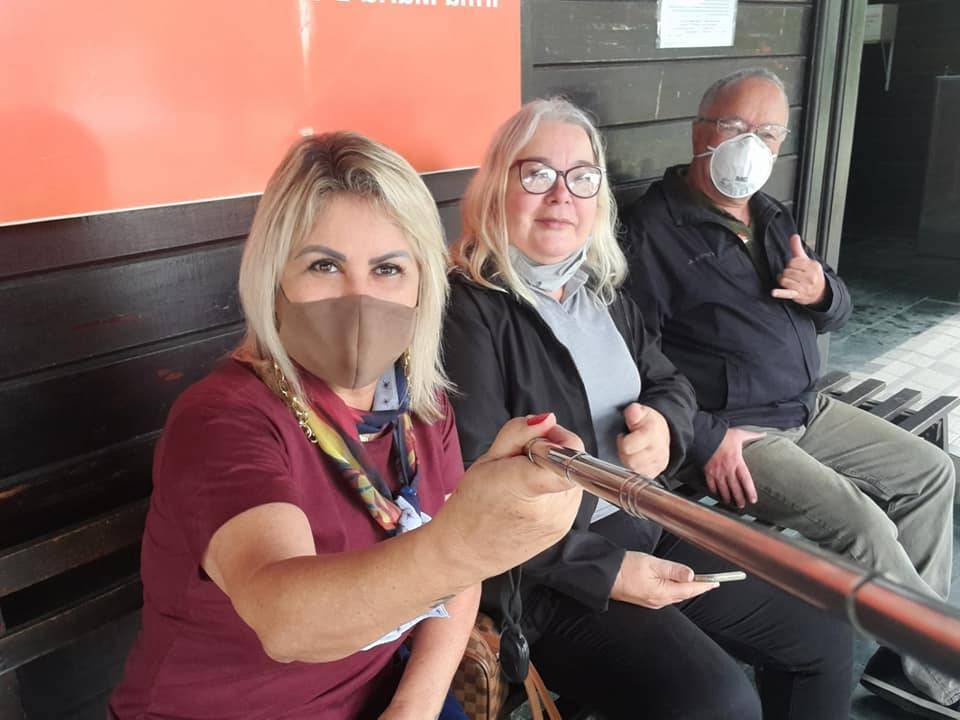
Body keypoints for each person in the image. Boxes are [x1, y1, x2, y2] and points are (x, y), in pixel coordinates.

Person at [109, 131, 584, 720]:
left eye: (388, 269)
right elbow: (287, 622)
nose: (359, 299)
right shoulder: (224, 419)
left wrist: (412, 708)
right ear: (274, 279)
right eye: (324, 265)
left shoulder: (420, 408)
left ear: (423, 286)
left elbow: (457, 583)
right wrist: (467, 541)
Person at [443, 97, 853, 720]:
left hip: (650, 520)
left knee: (821, 628)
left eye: (582, 177)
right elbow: (471, 486)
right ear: (498, 186)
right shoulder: (468, 310)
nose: (562, 195)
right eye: (537, 174)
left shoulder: (598, 290)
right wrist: (605, 570)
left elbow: (668, 381)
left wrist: (664, 422)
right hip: (544, 576)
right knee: (719, 705)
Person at [623, 67, 959, 716]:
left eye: (769, 132)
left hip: (807, 406)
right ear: (699, 131)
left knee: (931, 473)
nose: (751, 144)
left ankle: (906, 661)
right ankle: (944, 671)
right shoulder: (652, 232)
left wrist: (823, 292)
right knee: (863, 527)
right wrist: (709, 437)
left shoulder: (771, 214)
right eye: (735, 126)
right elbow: (639, 361)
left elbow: (837, 309)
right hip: (734, 431)